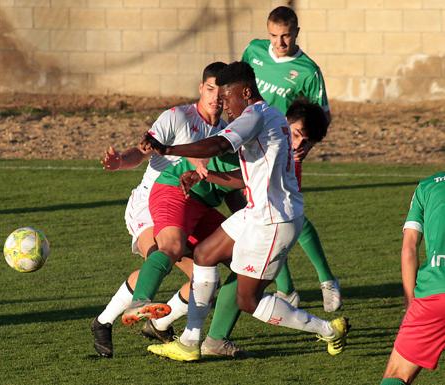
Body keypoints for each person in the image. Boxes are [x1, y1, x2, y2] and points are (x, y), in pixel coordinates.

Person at [143, 61, 348, 362]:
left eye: (228, 98)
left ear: (247, 92)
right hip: (258, 212)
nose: (225, 107)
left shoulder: (255, 115)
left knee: (247, 300)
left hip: (273, 221)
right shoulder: (271, 116)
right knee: (205, 254)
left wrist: (169, 149)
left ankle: (328, 329)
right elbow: (249, 177)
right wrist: (205, 176)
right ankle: (190, 341)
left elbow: (217, 144)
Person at [90, 62, 228, 358]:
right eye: (210, 89)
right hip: (150, 202)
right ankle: (106, 320)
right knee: (159, 252)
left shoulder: (226, 131)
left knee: (205, 280)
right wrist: (120, 162)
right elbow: (142, 151)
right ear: (201, 89)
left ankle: (159, 323)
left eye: (220, 91)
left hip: (189, 206)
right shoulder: (177, 117)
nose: (215, 97)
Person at [242, 5, 340, 312]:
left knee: (287, 212)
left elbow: (322, 115)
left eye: (285, 36)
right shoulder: (254, 51)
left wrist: (305, 146)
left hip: (284, 149)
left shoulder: (308, 71)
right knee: (263, 215)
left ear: (296, 32)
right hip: (250, 148)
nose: (279, 43)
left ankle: (327, 281)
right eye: (274, 35)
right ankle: (286, 289)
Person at [380, 172, 445, 385]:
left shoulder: (427, 187)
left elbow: (409, 248)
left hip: (434, 292)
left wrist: (410, 301)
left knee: (397, 374)